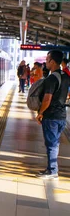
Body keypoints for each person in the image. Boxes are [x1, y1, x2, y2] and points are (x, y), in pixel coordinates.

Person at [36, 50, 70, 179]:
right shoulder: (66, 76)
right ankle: (51, 169)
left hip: (51, 116)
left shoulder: (51, 78)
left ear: (52, 61)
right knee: (54, 143)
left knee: (51, 144)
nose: (46, 61)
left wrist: (40, 113)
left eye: (47, 59)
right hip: (62, 116)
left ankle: (52, 171)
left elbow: (47, 99)